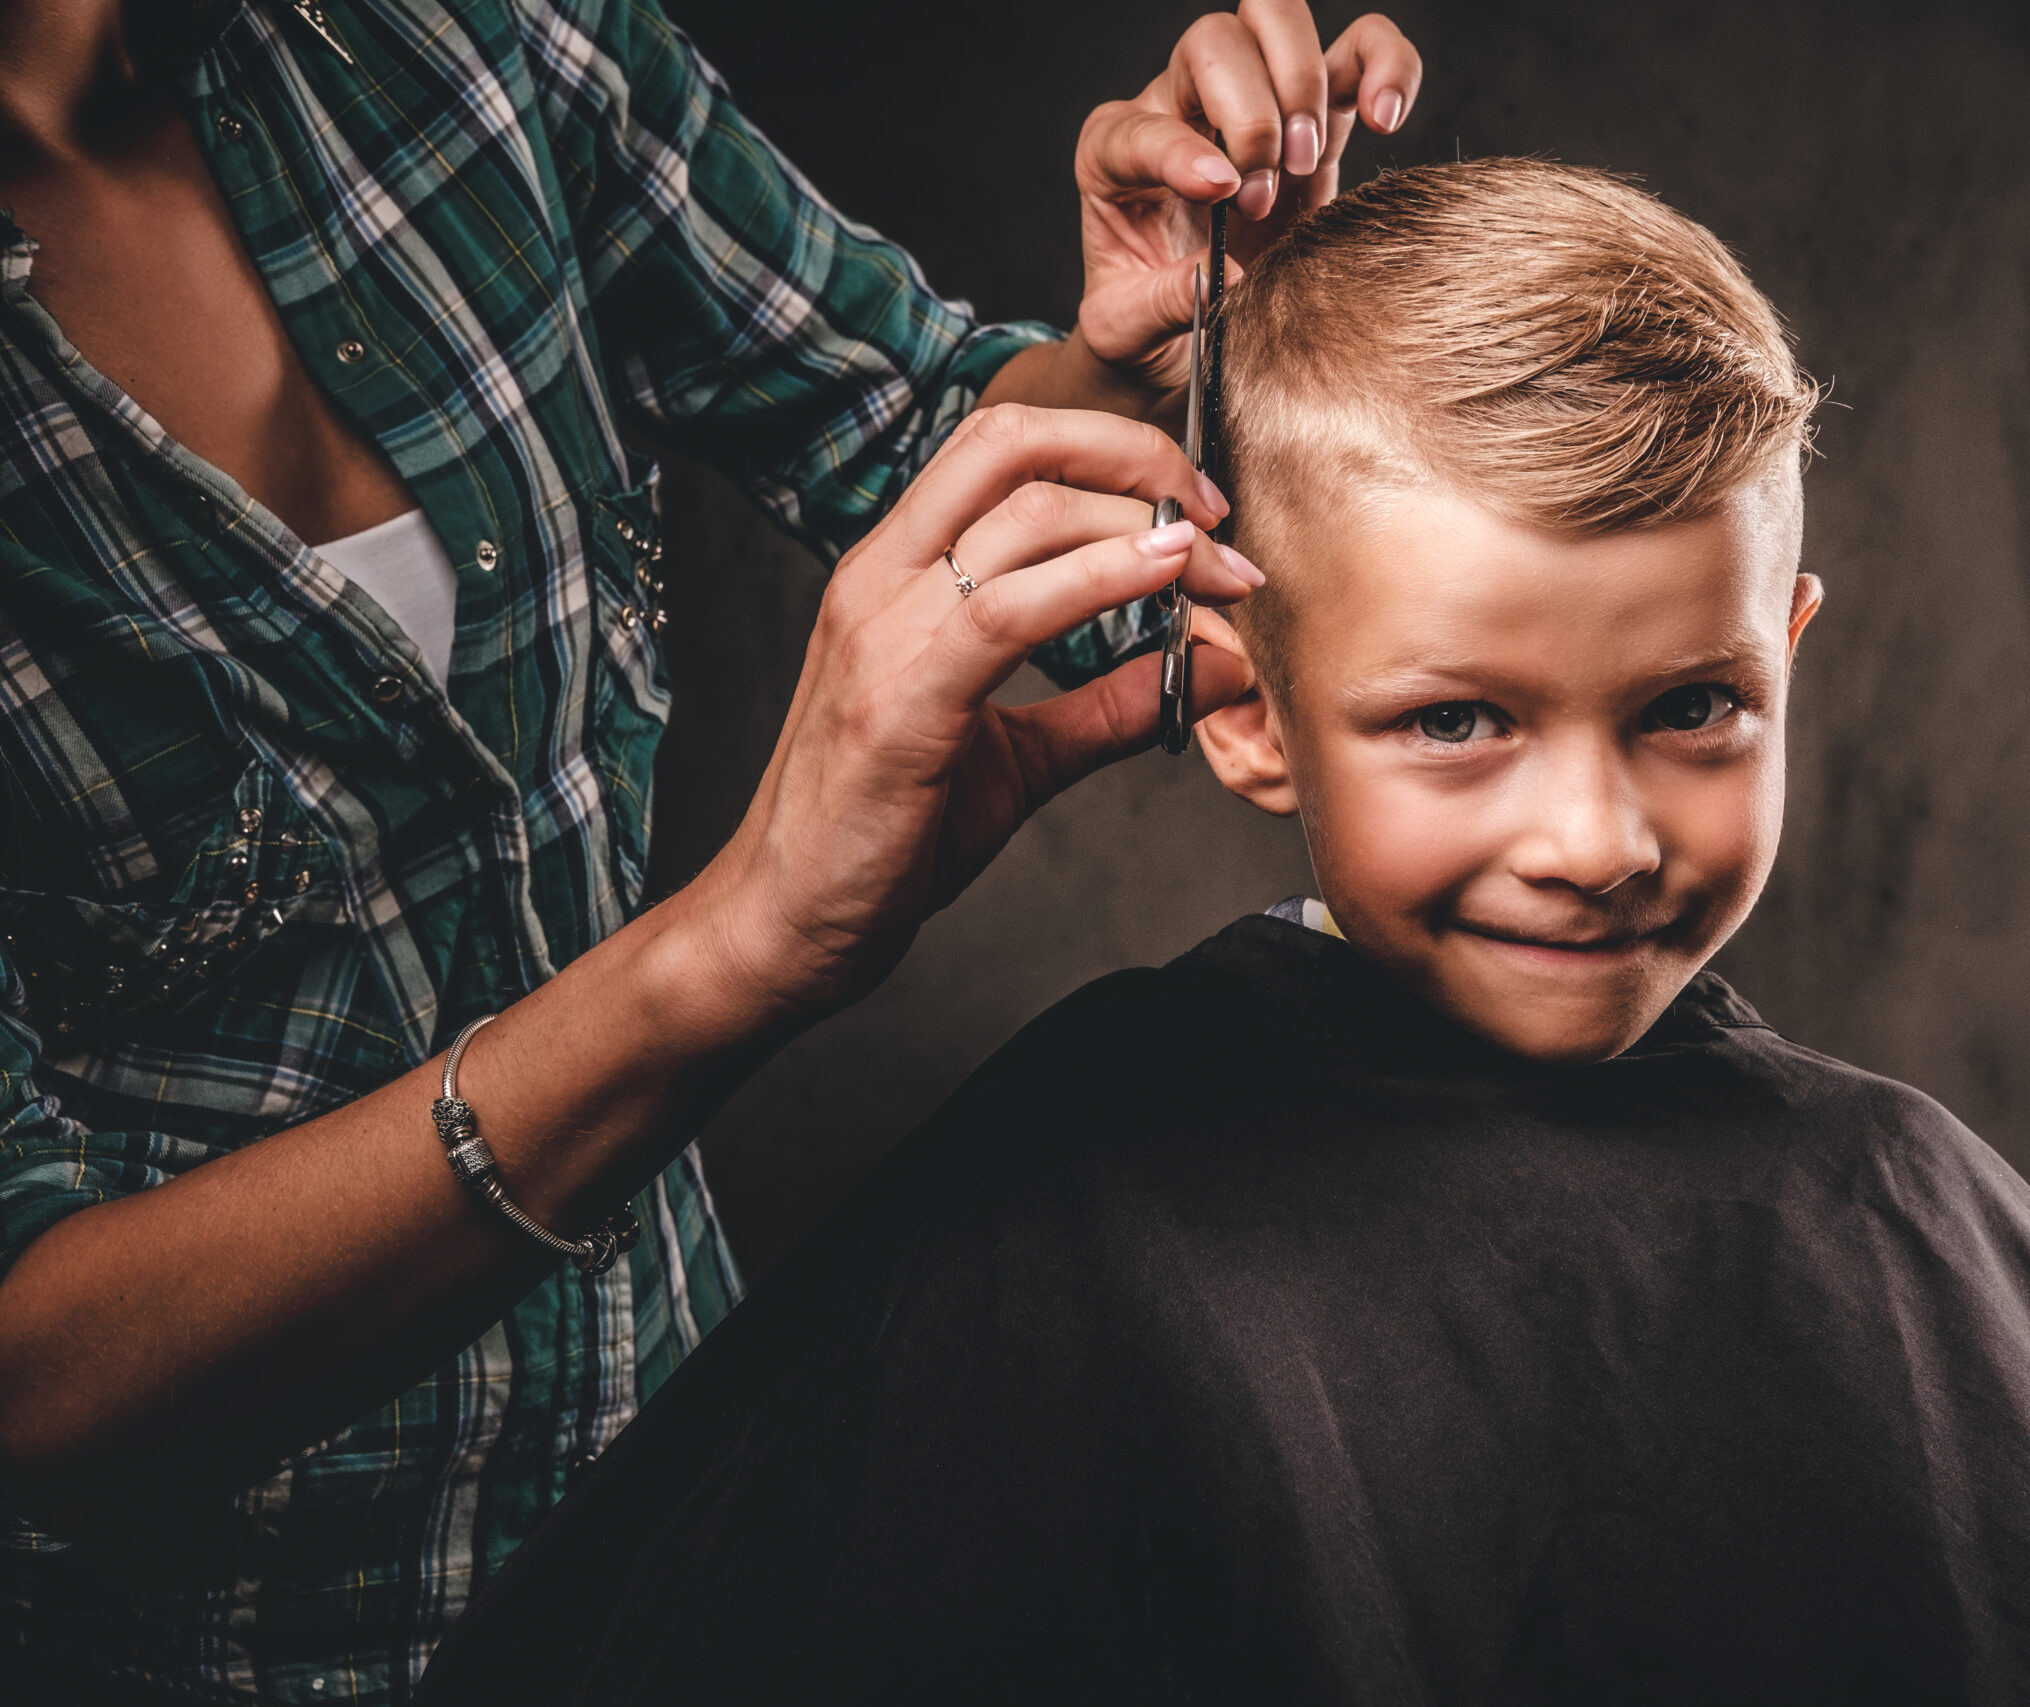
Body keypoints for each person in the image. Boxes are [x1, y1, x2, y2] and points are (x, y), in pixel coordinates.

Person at [415, 160, 2030, 1705]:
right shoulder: (1086, 1210)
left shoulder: (1881, 1190)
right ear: (1240, 707)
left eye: (1691, 708)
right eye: (1456, 719)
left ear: (1787, 655)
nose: (1597, 835)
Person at [0, 0, 1423, 1698]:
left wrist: (1146, 357)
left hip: (693, 1504)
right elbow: (28, 1384)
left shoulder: (464, 37)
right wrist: (730, 954)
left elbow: (919, 446)